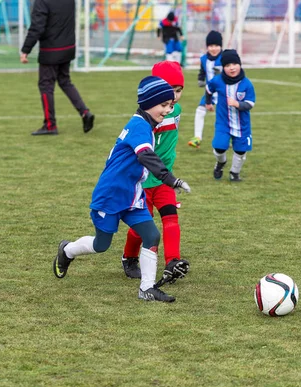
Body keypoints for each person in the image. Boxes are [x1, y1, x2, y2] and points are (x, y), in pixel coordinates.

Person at [52, 76, 192, 303]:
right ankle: (67, 250)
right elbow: (146, 155)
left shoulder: (146, 125)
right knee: (101, 245)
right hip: (111, 195)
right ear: (148, 102)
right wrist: (170, 179)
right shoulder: (139, 126)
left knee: (151, 235)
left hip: (131, 194)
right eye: (163, 105)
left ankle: (146, 288)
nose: (168, 110)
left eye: (171, 105)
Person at [121, 61, 190, 286]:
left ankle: (173, 262)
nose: (175, 97)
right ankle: (129, 258)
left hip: (164, 180)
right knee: (142, 228)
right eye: (171, 91)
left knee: (171, 218)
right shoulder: (149, 117)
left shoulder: (175, 110)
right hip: (142, 181)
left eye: (178, 91)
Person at [20, 0, 94, 136]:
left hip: (51, 50)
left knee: (46, 85)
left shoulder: (42, 2)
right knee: (65, 81)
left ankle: (49, 125)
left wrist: (26, 49)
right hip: (68, 47)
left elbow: (37, 27)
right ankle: (85, 112)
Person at [205, 49, 256, 182]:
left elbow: (250, 104)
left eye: (234, 64)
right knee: (219, 147)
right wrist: (208, 103)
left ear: (239, 64)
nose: (232, 68)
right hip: (223, 123)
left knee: (240, 150)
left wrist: (237, 104)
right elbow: (208, 89)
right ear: (223, 67)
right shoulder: (217, 81)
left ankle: (235, 173)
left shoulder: (246, 84)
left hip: (242, 125)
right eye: (227, 65)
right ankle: (220, 163)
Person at [188, 30, 223, 149]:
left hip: (225, 93)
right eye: (211, 46)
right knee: (200, 111)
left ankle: (225, 138)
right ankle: (197, 138)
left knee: (224, 116)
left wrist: (223, 72)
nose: (214, 49)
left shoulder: (225, 58)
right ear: (207, 46)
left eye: (217, 46)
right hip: (210, 92)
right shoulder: (203, 59)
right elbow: (202, 71)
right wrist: (201, 79)